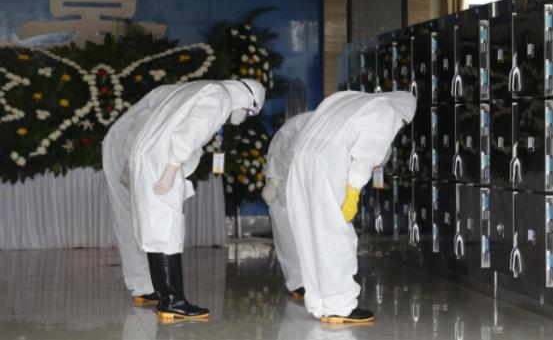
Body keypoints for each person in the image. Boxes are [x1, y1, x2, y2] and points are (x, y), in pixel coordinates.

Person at [103, 79, 265, 321]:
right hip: (162, 162)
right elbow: (191, 131)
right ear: (248, 100)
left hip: (149, 158)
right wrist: (172, 166)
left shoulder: (197, 88)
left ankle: (163, 295)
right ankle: (173, 301)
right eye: (249, 111)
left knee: (156, 230)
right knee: (166, 231)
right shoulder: (220, 96)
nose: (243, 116)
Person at [285, 91, 416, 323]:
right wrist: (354, 189)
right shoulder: (388, 110)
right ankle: (340, 306)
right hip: (328, 162)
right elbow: (367, 154)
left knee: (308, 233)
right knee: (335, 234)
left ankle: (320, 302)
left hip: (301, 159)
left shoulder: (346, 99)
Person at [261, 111, 314, 299]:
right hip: (284, 177)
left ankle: (315, 280)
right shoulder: (304, 131)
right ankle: (298, 282)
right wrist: (274, 183)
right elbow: (282, 156)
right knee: (288, 231)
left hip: (307, 176)